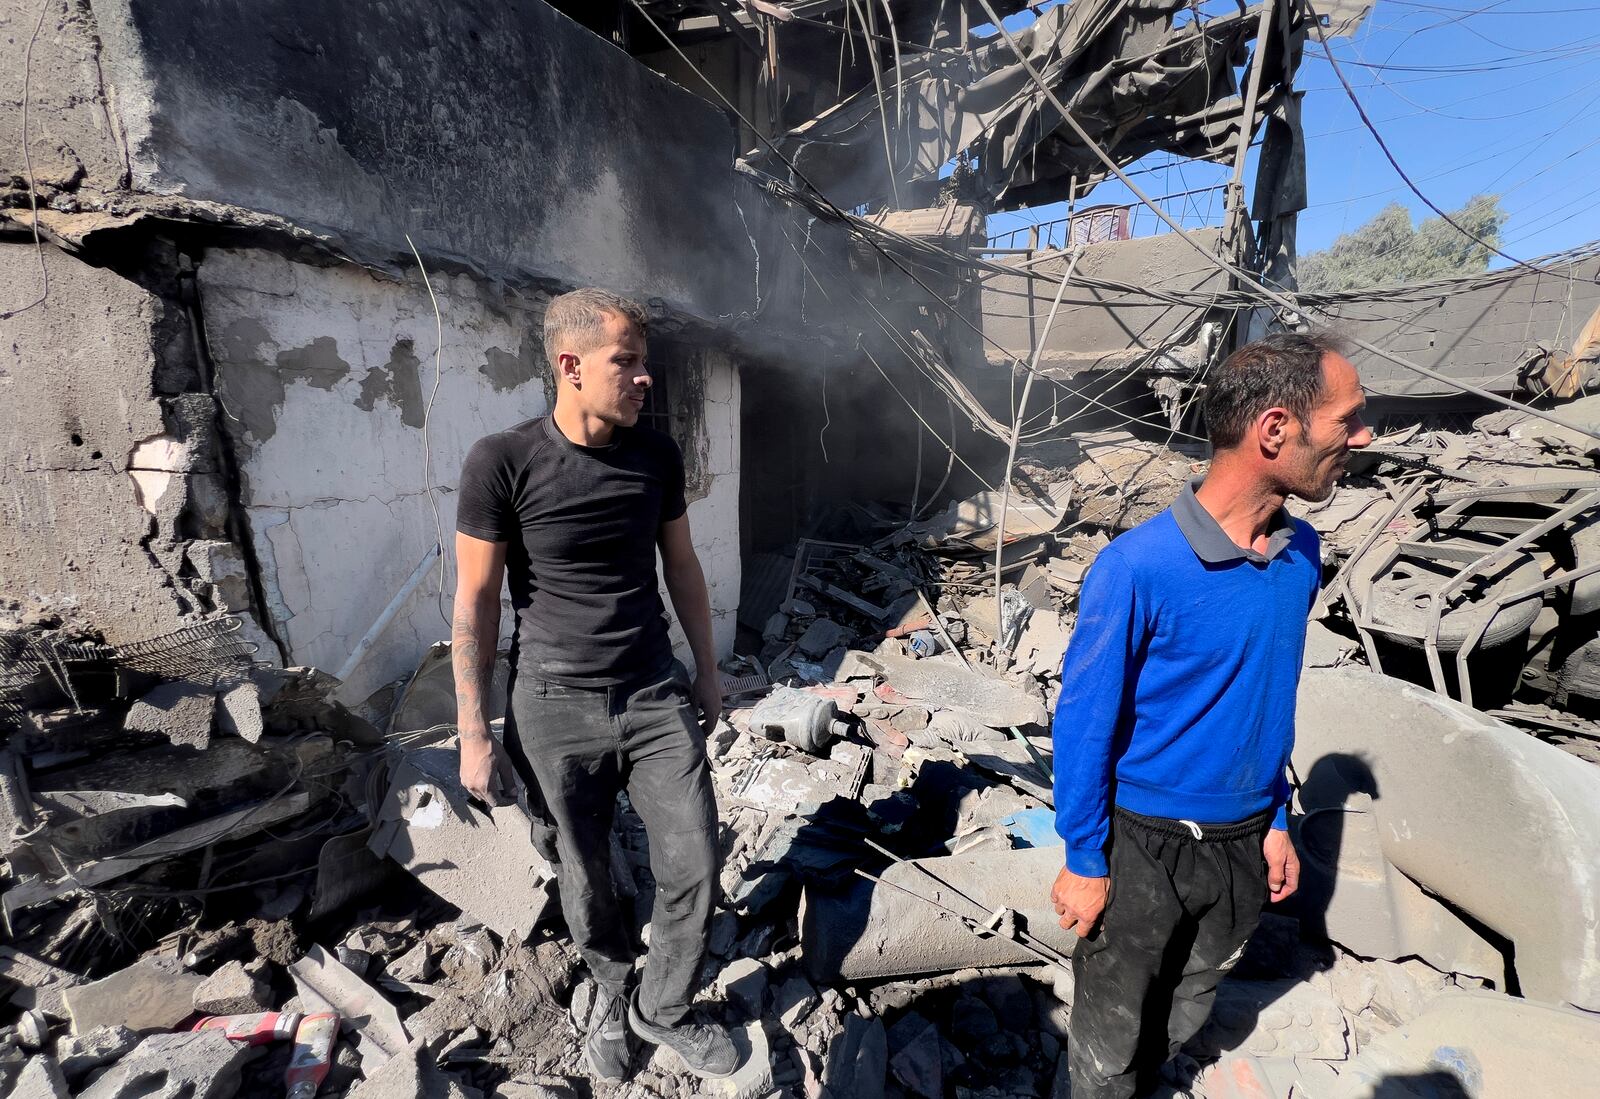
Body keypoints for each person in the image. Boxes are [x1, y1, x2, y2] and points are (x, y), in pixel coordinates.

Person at [1050, 332, 1372, 1098]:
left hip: (1239, 849)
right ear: (1274, 431)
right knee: (1109, 1039)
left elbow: (1267, 696)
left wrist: (1274, 817)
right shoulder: (1136, 568)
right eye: (1347, 421)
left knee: (1187, 1004)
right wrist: (1084, 858)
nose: (1363, 437)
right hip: (1143, 851)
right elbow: (1084, 726)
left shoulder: (1302, 552)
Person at [451, 288, 735, 1082]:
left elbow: (681, 565)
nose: (646, 378)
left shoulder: (658, 454)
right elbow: (473, 601)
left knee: (694, 864)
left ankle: (664, 1005)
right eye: (629, 361)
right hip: (551, 705)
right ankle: (612, 987)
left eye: (645, 361)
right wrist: (472, 731)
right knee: (586, 871)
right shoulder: (502, 461)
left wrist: (706, 673)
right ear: (570, 366)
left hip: (653, 692)